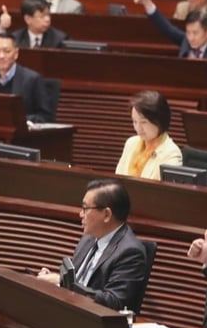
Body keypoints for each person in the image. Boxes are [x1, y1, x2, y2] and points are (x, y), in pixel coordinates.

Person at [36, 179, 147, 312]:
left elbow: (114, 301)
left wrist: (63, 284)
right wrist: (55, 280)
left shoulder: (130, 252)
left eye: (85, 208)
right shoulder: (88, 239)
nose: (80, 214)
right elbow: (77, 280)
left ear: (106, 214)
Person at [134, 0, 207, 83]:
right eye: (188, 32)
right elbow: (167, 29)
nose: (191, 38)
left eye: (195, 33)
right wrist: (147, 3)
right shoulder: (186, 40)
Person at [0, 34, 54, 123]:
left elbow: (46, 117)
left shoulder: (32, 79)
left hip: (24, 134)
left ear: (16, 53)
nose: (1, 56)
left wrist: (22, 121)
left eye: (7, 51)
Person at [115, 91, 182, 180]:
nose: (138, 128)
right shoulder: (131, 143)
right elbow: (117, 179)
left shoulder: (171, 153)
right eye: (134, 121)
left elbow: (164, 192)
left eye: (143, 122)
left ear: (159, 121)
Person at [0, 0, 69, 49]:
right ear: (28, 19)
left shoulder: (59, 39)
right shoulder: (16, 38)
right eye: (42, 16)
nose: (47, 19)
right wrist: (2, 27)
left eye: (48, 15)